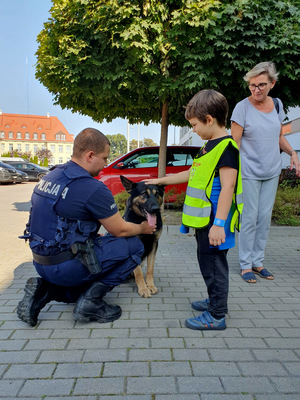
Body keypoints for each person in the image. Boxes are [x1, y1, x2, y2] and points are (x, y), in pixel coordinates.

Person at [17, 128, 156, 327]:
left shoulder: (52, 175)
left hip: (40, 263)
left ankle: (45, 291)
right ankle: (91, 303)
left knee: (95, 247)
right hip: (65, 267)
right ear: (90, 156)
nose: (106, 163)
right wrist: (142, 229)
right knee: (134, 246)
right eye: (105, 158)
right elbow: (121, 230)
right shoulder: (93, 187)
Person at [145, 89, 243, 330]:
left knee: (215, 266)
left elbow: (228, 187)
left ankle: (217, 315)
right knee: (207, 263)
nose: (193, 130)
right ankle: (214, 300)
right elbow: (192, 173)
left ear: (210, 119)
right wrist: (161, 181)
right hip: (204, 222)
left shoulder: (227, 148)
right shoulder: (208, 146)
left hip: (214, 222)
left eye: (195, 124)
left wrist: (219, 224)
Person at [231, 61, 300, 284]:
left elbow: (278, 136)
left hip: (271, 170)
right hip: (249, 171)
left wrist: (292, 152)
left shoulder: (277, 105)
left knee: (264, 218)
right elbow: (235, 143)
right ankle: (245, 265)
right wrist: (231, 173)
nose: (256, 90)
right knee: (250, 218)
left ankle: (258, 262)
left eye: (261, 85)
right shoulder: (242, 107)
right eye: (252, 85)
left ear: (272, 83)